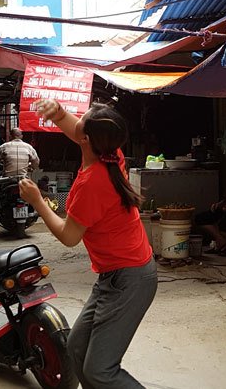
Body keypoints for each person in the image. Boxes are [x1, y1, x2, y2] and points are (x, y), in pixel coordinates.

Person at [18, 100, 156, 389]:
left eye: (83, 118)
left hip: (129, 279)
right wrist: (58, 113)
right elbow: (78, 131)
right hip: (117, 275)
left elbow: (69, 237)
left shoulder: (93, 183)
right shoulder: (110, 154)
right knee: (77, 350)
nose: (77, 118)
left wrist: (38, 202)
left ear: (87, 138)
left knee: (99, 371)